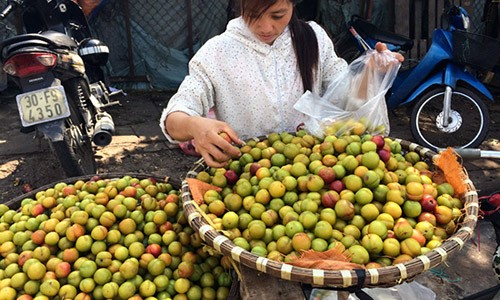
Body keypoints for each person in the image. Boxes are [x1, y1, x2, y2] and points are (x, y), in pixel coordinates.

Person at [160, 0, 402, 168]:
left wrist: (371, 74)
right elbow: (177, 114)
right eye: (254, 15)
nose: (266, 27)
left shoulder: (313, 39)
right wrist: (194, 125)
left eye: (277, 15)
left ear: (292, 4)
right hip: (246, 181)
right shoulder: (217, 52)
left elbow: (346, 98)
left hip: (314, 174)